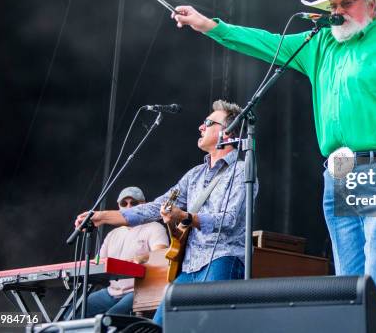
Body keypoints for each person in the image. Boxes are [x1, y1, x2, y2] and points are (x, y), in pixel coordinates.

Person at [169, 0, 376, 333]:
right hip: (339, 173)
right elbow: (264, 42)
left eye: (346, 4)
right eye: (332, 6)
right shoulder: (318, 46)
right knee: (349, 280)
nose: (336, 13)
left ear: (371, 5)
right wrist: (209, 26)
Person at [74, 100, 253, 327]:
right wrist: (102, 216)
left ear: (227, 133)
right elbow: (154, 207)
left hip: (223, 260)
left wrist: (185, 217)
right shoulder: (194, 175)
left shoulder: (241, 169)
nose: (201, 127)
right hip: (189, 267)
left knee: (211, 327)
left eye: (208, 122)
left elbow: (229, 220)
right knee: (160, 326)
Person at [71, 186, 168, 318]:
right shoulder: (112, 234)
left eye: (133, 203)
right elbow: (99, 262)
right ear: (119, 207)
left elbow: (161, 255)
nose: (128, 207)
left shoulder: (155, 228)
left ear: (143, 205)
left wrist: (138, 260)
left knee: (110, 319)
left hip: (138, 291)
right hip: (111, 292)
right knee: (74, 311)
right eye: (124, 203)